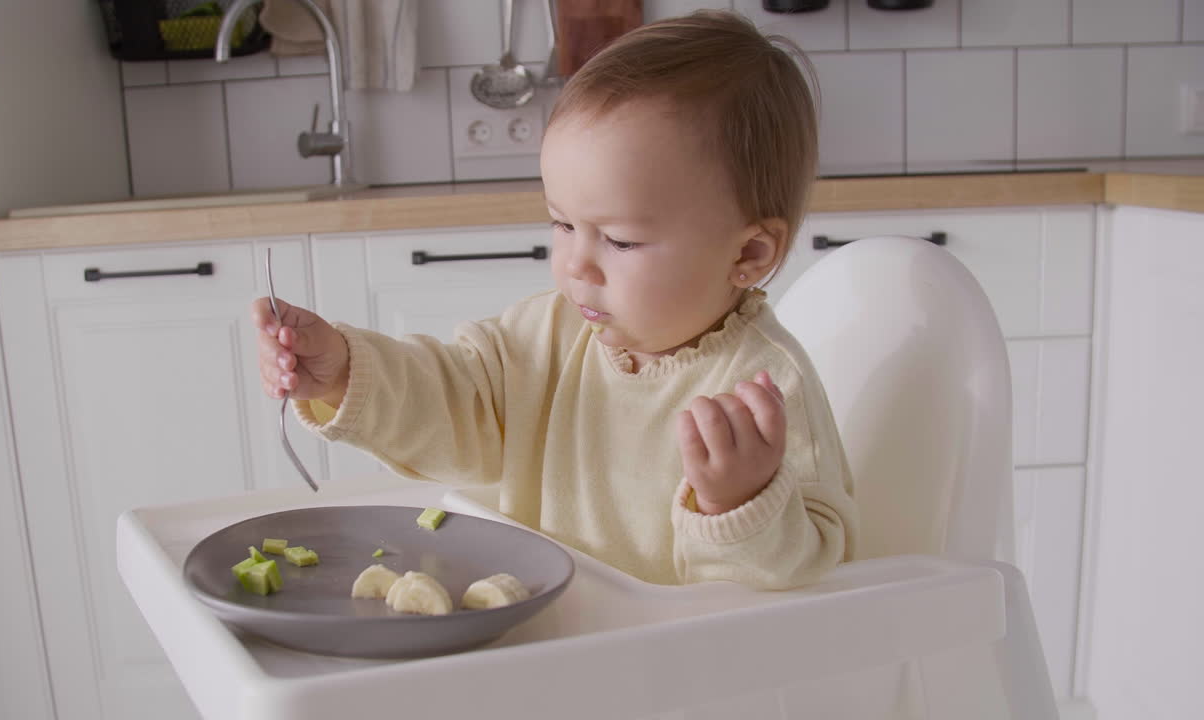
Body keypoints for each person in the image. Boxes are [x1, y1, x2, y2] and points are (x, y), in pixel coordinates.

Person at [253, 10, 857, 589]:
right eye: (563, 225)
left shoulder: (765, 392)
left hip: (682, 680)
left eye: (620, 240)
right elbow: (453, 395)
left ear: (748, 255)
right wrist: (344, 372)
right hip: (553, 647)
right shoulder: (549, 333)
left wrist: (741, 504)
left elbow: (817, 570)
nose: (575, 263)